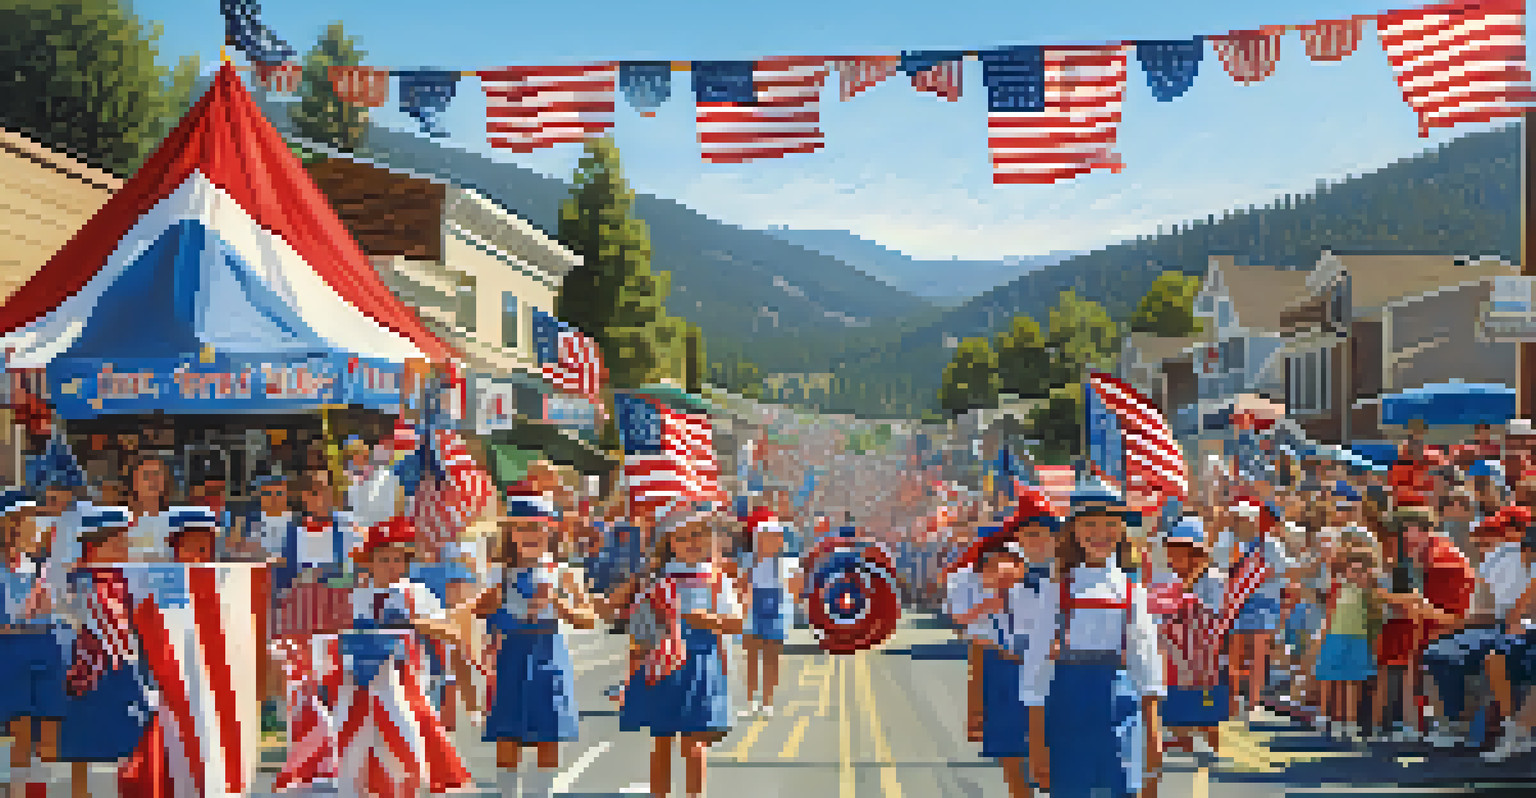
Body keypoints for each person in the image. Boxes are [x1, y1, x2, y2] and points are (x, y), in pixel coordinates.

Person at [465, 490, 595, 798]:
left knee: (549, 736)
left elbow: (588, 618)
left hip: (549, 655)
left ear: (550, 531)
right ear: (511, 534)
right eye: (523, 527)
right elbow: (476, 610)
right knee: (507, 737)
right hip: (510, 654)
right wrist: (494, 596)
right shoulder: (498, 571)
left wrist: (560, 604)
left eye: (538, 527)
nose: (531, 534)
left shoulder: (563, 573)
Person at [1044, 478, 1164, 798]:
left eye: (1110, 524)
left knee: (1123, 789)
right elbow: (1036, 670)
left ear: (1122, 529)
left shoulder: (1131, 591)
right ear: (1073, 531)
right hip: (1068, 713)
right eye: (1090, 524)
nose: (1100, 533)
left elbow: (1147, 665)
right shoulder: (1056, 589)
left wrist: (1152, 733)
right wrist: (1036, 736)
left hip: (1120, 709)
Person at [344, 515, 471, 795]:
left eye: (398, 559)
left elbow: (452, 633)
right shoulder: (356, 597)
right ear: (370, 561)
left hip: (410, 691)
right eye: (385, 559)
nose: (392, 566)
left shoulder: (417, 593)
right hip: (363, 694)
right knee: (368, 770)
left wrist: (413, 621)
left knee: (413, 762)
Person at [623, 504, 744, 798]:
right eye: (684, 536)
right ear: (670, 541)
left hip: (702, 666)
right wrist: (633, 671)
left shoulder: (717, 581)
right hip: (663, 667)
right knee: (662, 741)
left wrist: (710, 620)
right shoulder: (656, 581)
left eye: (700, 535)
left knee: (694, 743)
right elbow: (639, 632)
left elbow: (737, 623)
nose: (693, 543)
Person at [953, 490, 1058, 797]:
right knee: (1014, 768)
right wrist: (975, 707)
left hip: (1054, 680)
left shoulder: (1067, 581)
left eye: (1047, 535)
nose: (1040, 543)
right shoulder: (988, 586)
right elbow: (979, 646)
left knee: (1055, 770)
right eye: (1032, 535)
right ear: (1014, 540)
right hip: (1004, 678)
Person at [55, 507, 150, 798]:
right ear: (97, 544)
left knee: (132, 743)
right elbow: (85, 619)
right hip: (92, 668)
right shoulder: (81, 578)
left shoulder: (126, 577)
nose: (126, 546)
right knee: (82, 743)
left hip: (120, 666)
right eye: (119, 540)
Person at [1370, 493, 1476, 744]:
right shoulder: (1420, 557)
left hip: (1454, 630)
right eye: (1400, 531)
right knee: (1409, 658)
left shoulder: (1443, 561)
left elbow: (1452, 616)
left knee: (1426, 657)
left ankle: (1440, 728)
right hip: (1430, 627)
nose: (1402, 537)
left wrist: (1394, 599)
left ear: (1422, 530)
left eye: (1406, 530)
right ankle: (1414, 726)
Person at [1423, 505, 1532, 749]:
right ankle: (1454, 724)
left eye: (1504, 528)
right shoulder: (1496, 557)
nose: (1498, 534)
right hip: (1495, 626)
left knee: (1446, 651)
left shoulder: (1511, 557)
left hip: (1505, 628)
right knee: (1437, 652)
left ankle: (1466, 726)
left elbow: (1497, 615)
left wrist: (1452, 625)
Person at [1, 490, 68, 798]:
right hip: (11, 656)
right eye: (28, 519)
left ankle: (29, 790)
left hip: (42, 652)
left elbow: (54, 612)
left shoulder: (39, 568)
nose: (35, 526)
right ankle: (17, 790)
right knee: (21, 732)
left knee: (44, 738)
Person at [1154, 516, 1235, 757]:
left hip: (1206, 659)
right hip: (1177, 658)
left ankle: (1212, 749)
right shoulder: (1171, 579)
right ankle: (1184, 741)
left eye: (1181, 551)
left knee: (1208, 708)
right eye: (1172, 550)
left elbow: (1215, 616)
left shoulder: (1214, 579)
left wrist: (1187, 595)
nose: (1174, 557)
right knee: (1176, 705)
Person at [1218, 496, 1294, 719]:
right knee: (1235, 653)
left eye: (1246, 518)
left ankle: (1254, 703)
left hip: (1265, 603)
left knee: (1259, 653)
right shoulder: (1229, 541)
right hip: (1237, 603)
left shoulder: (1270, 544)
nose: (1243, 522)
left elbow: (1284, 571)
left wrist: (1259, 573)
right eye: (1238, 518)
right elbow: (1220, 566)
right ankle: (1232, 701)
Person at [1315, 548, 1383, 742]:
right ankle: (1335, 721)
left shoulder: (1370, 593)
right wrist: (1323, 635)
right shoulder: (1337, 588)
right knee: (1336, 679)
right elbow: (1329, 614)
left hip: (1359, 640)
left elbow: (1375, 617)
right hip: (1336, 638)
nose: (1357, 574)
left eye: (1362, 571)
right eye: (1353, 570)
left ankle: (1351, 723)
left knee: (1352, 681)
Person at [738, 513, 803, 718]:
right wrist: (743, 598)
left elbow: (796, 590)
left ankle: (767, 702)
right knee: (751, 658)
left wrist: (796, 584)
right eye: (766, 537)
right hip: (753, 612)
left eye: (775, 537)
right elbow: (741, 587)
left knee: (771, 658)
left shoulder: (788, 563)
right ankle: (750, 702)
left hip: (776, 612)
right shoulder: (748, 562)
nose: (771, 541)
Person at [125, 455, 172, 560]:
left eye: (156, 475)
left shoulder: (175, 522)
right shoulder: (121, 522)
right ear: (135, 482)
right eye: (146, 475)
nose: (153, 480)